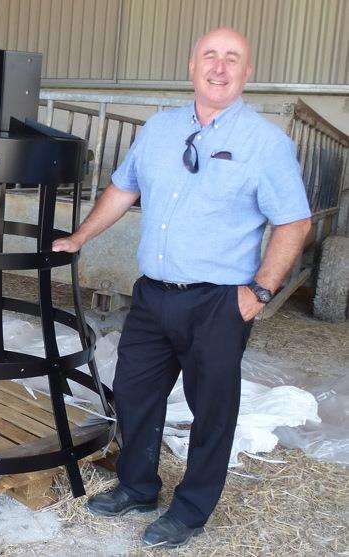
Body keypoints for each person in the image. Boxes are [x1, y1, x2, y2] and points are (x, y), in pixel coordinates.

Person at [52, 28, 311, 548]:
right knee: (133, 392)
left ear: (247, 72)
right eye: (209, 56)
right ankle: (138, 486)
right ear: (192, 66)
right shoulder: (159, 129)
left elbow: (294, 224)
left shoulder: (266, 144)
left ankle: (190, 509)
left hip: (219, 301)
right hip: (152, 294)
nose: (219, 67)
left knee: (211, 409)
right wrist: (79, 237)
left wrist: (257, 293)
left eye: (231, 58)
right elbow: (124, 188)